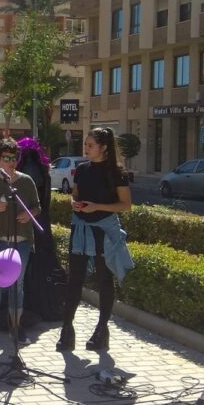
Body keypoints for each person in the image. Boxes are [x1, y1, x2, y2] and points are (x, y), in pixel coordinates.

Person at [57, 127, 134, 353]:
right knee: (74, 279)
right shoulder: (82, 169)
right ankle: (67, 329)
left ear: (103, 147)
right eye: (85, 144)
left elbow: (126, 205)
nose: (86, 148)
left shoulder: (117, 173)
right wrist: (74, 203)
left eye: (90, 145)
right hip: (80, 228)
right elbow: (75, 194)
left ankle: (101, 331)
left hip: (104, 230)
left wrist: (97, 207)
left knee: (104, 280)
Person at [0, 138, 41, 345]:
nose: (11, 162)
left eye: (14, 158)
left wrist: (29, 214)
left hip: (21, 241)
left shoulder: (26, 181)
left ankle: (16, 327)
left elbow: (37, 207)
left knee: (17, 285)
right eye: (6, 158)